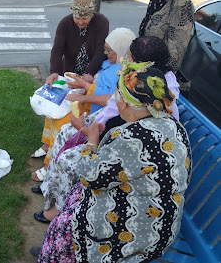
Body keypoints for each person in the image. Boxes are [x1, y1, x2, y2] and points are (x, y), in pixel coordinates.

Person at [33, 67, 191, 263]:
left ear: (124, 103)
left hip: (136, 235)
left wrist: (91, 141)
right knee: (75, 197)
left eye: (116, 96)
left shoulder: (131, 137)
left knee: (68, 220)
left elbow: (88, 176)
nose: (113, 101)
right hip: (163, 224)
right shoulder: (175, 126)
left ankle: (53, 256)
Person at [33, 36, 181, 223]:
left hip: (132, 206)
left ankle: (61, 212)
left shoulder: (142, 120)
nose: (123, 61)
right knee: (65, 132)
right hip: (111, 134)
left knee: (68, 160)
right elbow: (112, 108)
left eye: (129, 58)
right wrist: (89, 125)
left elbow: (93, 172)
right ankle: (51, 186)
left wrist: (87, 133)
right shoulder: (142, 85)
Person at [31, 0, 109, 179]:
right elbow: (57, 49)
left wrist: (89, 73)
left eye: (85, 18)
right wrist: (54, 73)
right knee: (54, 108)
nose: (81, 22)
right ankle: (46, 144)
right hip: (69, 71)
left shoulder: (101, 22)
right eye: (77, 17)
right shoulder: (65, 23)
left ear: (92, 14)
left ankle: (53, 154)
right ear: (72, 13)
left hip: (90, 73)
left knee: (69, 111)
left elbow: (100, 51)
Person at [140, 0, 194, 92]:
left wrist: (159, 78)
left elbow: (177, 49)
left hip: (163, 80)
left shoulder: (180, 0)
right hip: (149, 71)